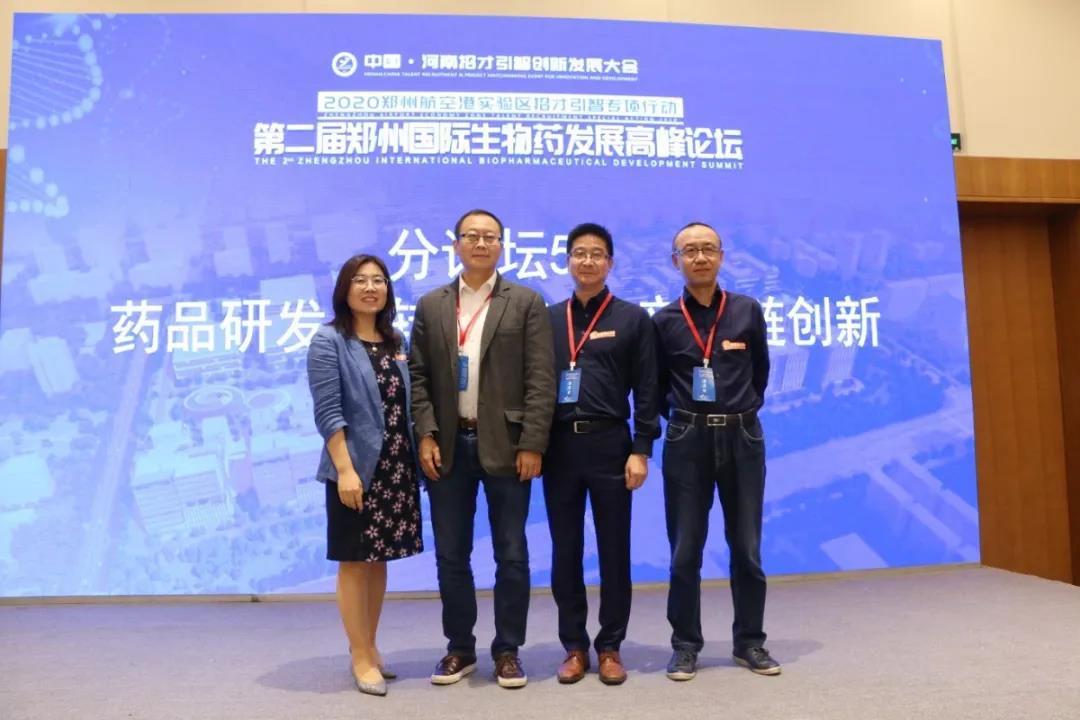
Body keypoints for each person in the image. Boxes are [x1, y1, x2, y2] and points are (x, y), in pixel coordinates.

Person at [409, 209, 556, 688]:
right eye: (471, 236)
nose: (480, 243)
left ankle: (508, 650)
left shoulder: (526, 301)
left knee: (511, 554)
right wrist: (426, 433)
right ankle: (460, 648)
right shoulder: (432, 304)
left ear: (501, 246)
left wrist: (532, 442)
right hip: (447, 447)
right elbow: (417, 377)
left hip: (508, 447)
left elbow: (541, 378)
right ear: (456, 245)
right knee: (451, 556)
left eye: (489, 236)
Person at [652, 222, 781, 681]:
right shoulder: (663, 321)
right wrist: (688, 421)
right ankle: (686, 645)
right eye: (690, 251)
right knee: (685, 550)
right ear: (676, 262)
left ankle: (750, 642)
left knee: (746, 548)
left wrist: (737, 413)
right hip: (687, 440)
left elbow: (760, 373)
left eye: (708, 249)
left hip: (743, 438)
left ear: (722, 256)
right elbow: (655, 388)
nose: (700, 257)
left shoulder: (747, 310)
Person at [543, 223, 659, 685]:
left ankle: (610, 645)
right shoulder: (549, 319)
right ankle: (574, 646)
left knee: (614, 549)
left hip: (612, 445)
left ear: (610, 263)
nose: (587, 261)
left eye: (596, 254)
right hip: (559, 448)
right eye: (579, 253)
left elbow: (648, 389)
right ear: (568, 262)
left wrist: (641, 449)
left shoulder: (633, 319)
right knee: (565, 550)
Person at [306, 254, 423, 697]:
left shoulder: (394, 340)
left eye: (378, 280)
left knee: (378, 560)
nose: (370, 288)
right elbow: (328, 411)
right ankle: (358, 655)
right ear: (345, 289)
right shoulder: (329, 340)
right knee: (354, 561)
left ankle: (370, 646)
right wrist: (345, 470)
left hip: (395, 467)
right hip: (355, 469)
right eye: (360, 280)